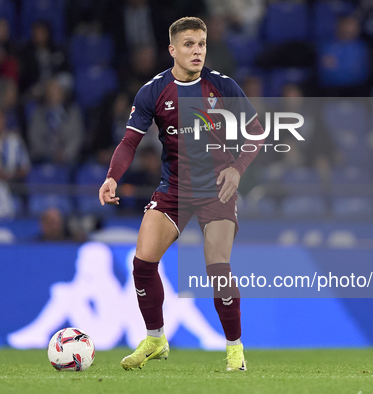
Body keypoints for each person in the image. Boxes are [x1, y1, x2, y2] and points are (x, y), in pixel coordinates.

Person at [98, 16, 266, 372]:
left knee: (218, 268)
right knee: (143, 263)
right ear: (172, 49)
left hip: (216, 190)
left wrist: (237, 169)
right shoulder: (154, 91)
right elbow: (130, 141)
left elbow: (256, 131)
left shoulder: (222, 86)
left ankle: (235, 350)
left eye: (201, 44)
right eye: (189, 45)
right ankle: (156, 339)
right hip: (174, 188)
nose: (197, 51)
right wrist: (112, 177)